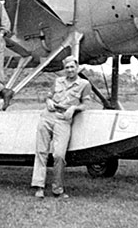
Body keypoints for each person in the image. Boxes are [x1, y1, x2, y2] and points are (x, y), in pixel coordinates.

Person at [31, 55, 92, 198]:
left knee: (59, 155)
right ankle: (39, 187)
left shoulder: (84, 84)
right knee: (41, 152)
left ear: (77, 68)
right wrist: (48, 101)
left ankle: (57, 189)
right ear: (64, 69)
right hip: (47, 117)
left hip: (63, 119)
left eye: (72, 67)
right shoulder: (58, 81)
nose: (69, 70)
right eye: (67, 67)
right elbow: (49, 96)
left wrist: (73, 108)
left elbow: (85, 104)